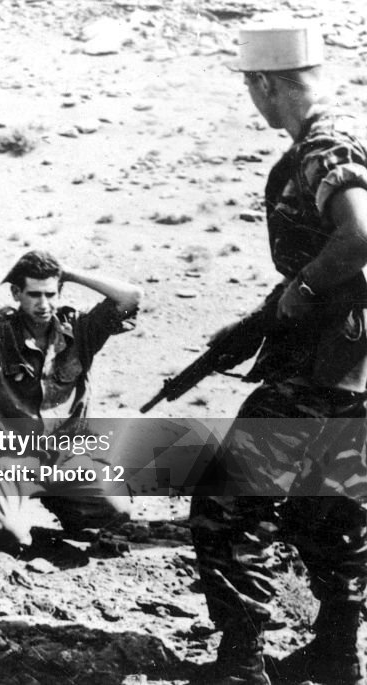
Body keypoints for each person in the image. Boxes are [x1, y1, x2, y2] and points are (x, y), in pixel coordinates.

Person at [189, 23, 367, 685]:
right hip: (353, 371)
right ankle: (339, 652)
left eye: (250, 86)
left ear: (265, 83)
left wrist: (305, 288)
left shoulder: (325, 147)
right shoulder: (352, 130)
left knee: (227, 501)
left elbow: (357, 237)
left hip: (323, 367)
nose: (251, 99)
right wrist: (261, 317)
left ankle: (241, 661)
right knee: (334, 504)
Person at [0, 249, 142, 552]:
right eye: (34, 294)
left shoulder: (80, 330)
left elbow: (131, 296)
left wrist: (68, 271)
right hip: (7, 459)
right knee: (8, 538)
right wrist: (9, 269)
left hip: (63, 459)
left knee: (118, 510)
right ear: (16, 293)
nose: (44, 304)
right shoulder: (0, 330)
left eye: (51, 294)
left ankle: (61, 503)